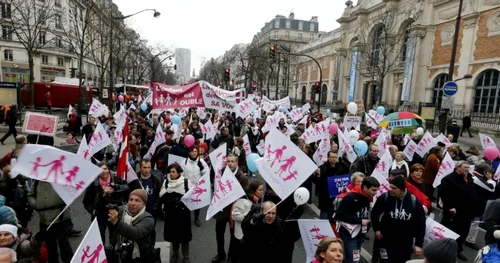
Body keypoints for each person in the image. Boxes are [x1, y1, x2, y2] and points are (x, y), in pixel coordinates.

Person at [371, 176, 426, 263]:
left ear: (402, 189)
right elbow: (374, 214)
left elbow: (421, 223)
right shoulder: (385, 197)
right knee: (385, 261)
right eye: (390, 187)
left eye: (394, 188)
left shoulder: (413, 201)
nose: (390, 190)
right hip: (386, 239)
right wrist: (377, 229)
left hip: (405, 242)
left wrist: (419, 244)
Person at [439, 161, 481, 261]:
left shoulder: (469, 177)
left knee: (463, 233)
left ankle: (457, 250)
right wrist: (450, 207)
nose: (467, 169)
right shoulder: (448, 179)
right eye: (465, 167)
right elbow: (444, 194)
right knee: (451, 233)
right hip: (454, 212)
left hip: (467, 212)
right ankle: (444, 251)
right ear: (458, 167)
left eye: (468, 167)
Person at [334, 177, 380, 263]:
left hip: (359, 234)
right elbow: (339, 215)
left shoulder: (367, 197)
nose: (375, 193)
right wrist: (360, 221)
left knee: (355, 258)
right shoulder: (350, 197)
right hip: (349, 234)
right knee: (353, 261)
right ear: (365, 187)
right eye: (373, 190)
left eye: (376, 190)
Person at [27, 181, 74, 263]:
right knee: (49, 244)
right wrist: (35, 205)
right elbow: (30, 195)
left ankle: (69, 260)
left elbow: (71, 192)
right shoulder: (37, 181)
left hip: (60, 218)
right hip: (44, 219)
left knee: (64, 244)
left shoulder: (60, 179)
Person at [84, 162, 129, 244]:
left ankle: (112, 253)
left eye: (105, 168)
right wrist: (93, 211)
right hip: (99, 215)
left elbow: (127, 189)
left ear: (109, 170)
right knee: (100, 238)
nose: (103, 171)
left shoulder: (117, 180)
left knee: (114, 238)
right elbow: (87, 201)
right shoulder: (93, 184)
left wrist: (117, 189)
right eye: (100, 169)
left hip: (114, 213)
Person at [108, 189, 155, 263]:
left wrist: (116, 222)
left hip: (139, 257)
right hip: (120, 254)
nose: (133, 203)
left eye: (137, 200)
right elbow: (101, 209)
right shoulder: (122, 210)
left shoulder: (148, 218)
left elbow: (135, 233)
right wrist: (102, 196)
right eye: (131, 199)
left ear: (144, 204)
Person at [159, 163, 192, 263]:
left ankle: (186, 256)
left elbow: (192, 197)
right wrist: (169, 201)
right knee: (174, 236)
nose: (171, 174)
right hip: (171, 214)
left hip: (183, 214)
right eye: (170, 172)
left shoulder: (186, 182)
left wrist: (181, 202)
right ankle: (175, 254)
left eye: (173, 172)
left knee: (184, 236)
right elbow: (161, 196)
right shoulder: (166, 183)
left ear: (179, 172)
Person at [180, 147, 209, 227]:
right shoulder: (184, 162)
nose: (194, 153)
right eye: (192, 151)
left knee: (196, 203)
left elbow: (206, 173)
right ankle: (186, 218)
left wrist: (202, 168)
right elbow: (181, 174)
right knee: (187, 203)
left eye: (195, 151)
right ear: (189, 153)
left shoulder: (201, 161)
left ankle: (197, 217)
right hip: (187, 186)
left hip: (197, 186)